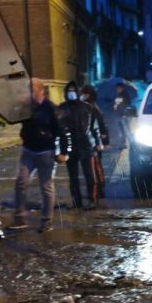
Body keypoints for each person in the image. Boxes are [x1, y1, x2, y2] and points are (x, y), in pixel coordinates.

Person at [11, 78, 67, 233]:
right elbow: (13, 116)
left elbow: (61, 131)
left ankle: (47, 220)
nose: (29, 92)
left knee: (46, 186)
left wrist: (63, 152)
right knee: (21, 181)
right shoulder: (27, 107)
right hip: (28, 150)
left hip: (46, 152)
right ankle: (20, 216)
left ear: (41, 91)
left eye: (32, 89)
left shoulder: (50, 109)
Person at [60, 81, 103, 210]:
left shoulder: (88, 108)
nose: (71, 93)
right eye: (69, 91)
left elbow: (94, 128)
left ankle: (92, 199)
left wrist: (98, 142)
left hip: (86, 145)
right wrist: (61, 150)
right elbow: (59, 129)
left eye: (73, 90)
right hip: (70, 145)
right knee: (73, 177)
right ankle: (76, 201)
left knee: (90, 175)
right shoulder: (62, 108)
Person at [81, 84, 109, 198]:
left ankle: (100, 189)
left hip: (94, 142)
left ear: (89, 95)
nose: (82, 95)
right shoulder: (88, 107)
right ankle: (98, 189)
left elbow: (101, 124)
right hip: (90, 141)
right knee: (94, 167)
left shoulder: (93, 108)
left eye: (84, 93)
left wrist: (104, 141)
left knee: (97, 166)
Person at [113, 82, 135, 148]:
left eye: (119, 88)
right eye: (117, 88)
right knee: (121, 131)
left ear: (122, 88)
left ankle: (132, 143)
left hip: (124, 116)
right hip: (118, 115)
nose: (118, 89)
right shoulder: (117, 95)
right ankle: (123, 143)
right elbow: (116, 103)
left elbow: (128, 106)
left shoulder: (125, 96)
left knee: (127, 130)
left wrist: (125, 114)